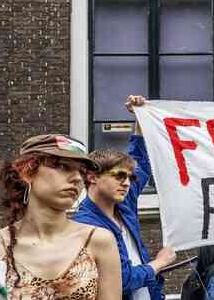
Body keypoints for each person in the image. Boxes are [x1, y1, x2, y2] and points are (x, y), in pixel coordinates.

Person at [0, 135, 122, 299]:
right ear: (28, 171)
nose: (76, 178)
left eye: (82, 172)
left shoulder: (98, 240)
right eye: (63, 166)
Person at [74, 95, 176, 300]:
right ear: (92, 177)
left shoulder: (123, 202)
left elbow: (141, 161)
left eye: (130, 177)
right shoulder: (85, 225)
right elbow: (122, 280)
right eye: (119, 176)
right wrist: (159, 263)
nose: (127, 183)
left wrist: (140, 116)